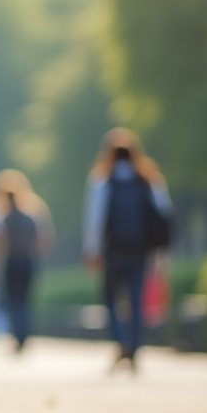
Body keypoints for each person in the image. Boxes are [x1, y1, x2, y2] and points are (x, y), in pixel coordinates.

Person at [82, 128, 172, 372]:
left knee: (111, 298)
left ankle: (121, 341)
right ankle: (136, 348)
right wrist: (161, 251)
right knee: (136, 299)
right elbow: (163, 215)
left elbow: (95, 219)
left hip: (114, 250)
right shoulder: (149, 180)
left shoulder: (102, 181)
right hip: (140, 250)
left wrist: (92, 250)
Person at [0, 169, 53, 352]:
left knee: (14, 300)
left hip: (11, 262)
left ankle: (18, 336)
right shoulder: (31, 216)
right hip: (28, 261)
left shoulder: (3, 218)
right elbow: (44, 241)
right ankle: (24, 335)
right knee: (25, 300)